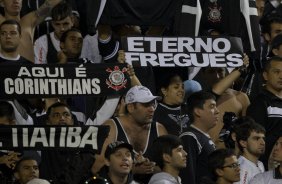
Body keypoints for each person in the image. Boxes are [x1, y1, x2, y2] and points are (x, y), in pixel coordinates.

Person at [92, 85, 168, 183]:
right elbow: (96, 168)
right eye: (146, 105)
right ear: (131, 107)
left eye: (153, 104)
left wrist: (150, 168)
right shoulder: (111, 127)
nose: (152, 109)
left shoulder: (159, 129)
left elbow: (170, 169)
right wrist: (132, 169)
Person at [40, 102, 94, 184]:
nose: (62, 118)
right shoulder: (39, 143)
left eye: (66, 115)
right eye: (56, 115)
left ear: (72, 121)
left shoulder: (85, 143)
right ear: (48, 122)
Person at [247, 56, 282, 168]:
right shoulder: (260, 103)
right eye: (276, 72)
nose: (281, 76)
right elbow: (255, 140)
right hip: (268, 167)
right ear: (265, 75)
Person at [179, 91, 220, 184]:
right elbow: (187, 176)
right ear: (198, 111)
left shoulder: (202, 136)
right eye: (212, 106)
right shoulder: (189, 137)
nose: (217, 111)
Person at [234, 117, 266, 184]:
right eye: (256, 138)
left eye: (263, 139)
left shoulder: (260, 164)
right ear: (243, 143)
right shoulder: (241, 168)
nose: (263, 143)